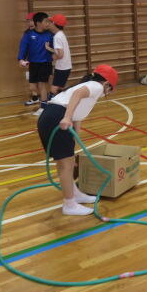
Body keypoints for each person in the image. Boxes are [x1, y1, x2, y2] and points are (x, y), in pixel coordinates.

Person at [37, 65, 118, 216]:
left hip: (51, 117)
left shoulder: (89, 87)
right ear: (106, 84)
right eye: (111, 89)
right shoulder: (96, 86)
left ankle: (75, 195)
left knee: (66, 161)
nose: (108, 93)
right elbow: (77, 94)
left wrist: (72, 148)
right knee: (65, 165)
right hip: (56, 117)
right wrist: (67, 117)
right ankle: (70, 205)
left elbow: (77, 118)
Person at [18, 12, 54, 116]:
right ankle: (45, 99)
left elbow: (55, 49)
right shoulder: (28, 35)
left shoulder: (50, 35)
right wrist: (21, 59)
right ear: (38, 23)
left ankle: (43, 107)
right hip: (33, 64)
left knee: (42, 85)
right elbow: (23, 47)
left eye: (48, 21)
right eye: (45, 21)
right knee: (33, 87)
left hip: (45, 63)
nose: (47, 23)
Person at [46, 14, 72, 95]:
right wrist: (49, 48)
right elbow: (60, 50)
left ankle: (51, 102)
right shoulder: (61, 34)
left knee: (53, 90)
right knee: (61, 89)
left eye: (50, 22)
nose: (49, 24)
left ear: (54, 24)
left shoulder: (57, 37)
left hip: (62, 68)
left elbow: (60, 54)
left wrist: (53, 57)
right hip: (66, 67)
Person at [18, 13, 40, 106]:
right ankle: (35, 98)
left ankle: (45, 99)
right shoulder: (27, 33)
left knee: (43, 81)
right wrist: (21, 59)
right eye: (28, 21)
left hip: (44, 61)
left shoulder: (44, 32)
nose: (29, 23)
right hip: (32, 61)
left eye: (31, 20)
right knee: (32, 82)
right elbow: (23, 47)